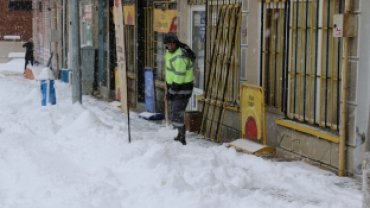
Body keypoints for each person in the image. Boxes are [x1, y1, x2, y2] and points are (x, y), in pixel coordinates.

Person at [163, 32, 194, 145]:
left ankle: (181, 137)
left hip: (183, 88)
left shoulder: (180, 55)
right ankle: (180, 135)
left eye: (172, 44)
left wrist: (169, 93)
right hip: (176, 87)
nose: (170, 46)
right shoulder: (169, 52)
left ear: (176, 43)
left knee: (176, 113)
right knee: (175, 113)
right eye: (168, 44)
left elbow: (179, 77)